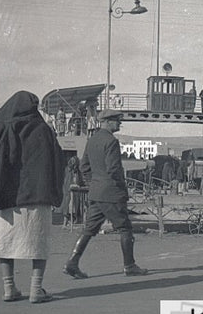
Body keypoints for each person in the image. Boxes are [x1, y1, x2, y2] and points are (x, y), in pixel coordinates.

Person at [0, 91, 65, 304]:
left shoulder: (1, 126)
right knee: (38, 242)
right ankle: (36, 289)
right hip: (37, 197)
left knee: (6, 241)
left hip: (6, 197)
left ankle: (9, 288)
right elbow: (58, 161)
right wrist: (55, 193)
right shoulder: (44, 130)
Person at [64, 109, 149, 279]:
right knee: (125, 228)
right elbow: (114, 169)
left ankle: (72, 263)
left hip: (96, 193)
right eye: (117, 120)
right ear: (108, 122)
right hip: (112, 193)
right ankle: (129, 266)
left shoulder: (92, 140)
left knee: (89, 229)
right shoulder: (111, 141)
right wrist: (121, 187)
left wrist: (93, 183)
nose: (119, 123)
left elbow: (84, 166)